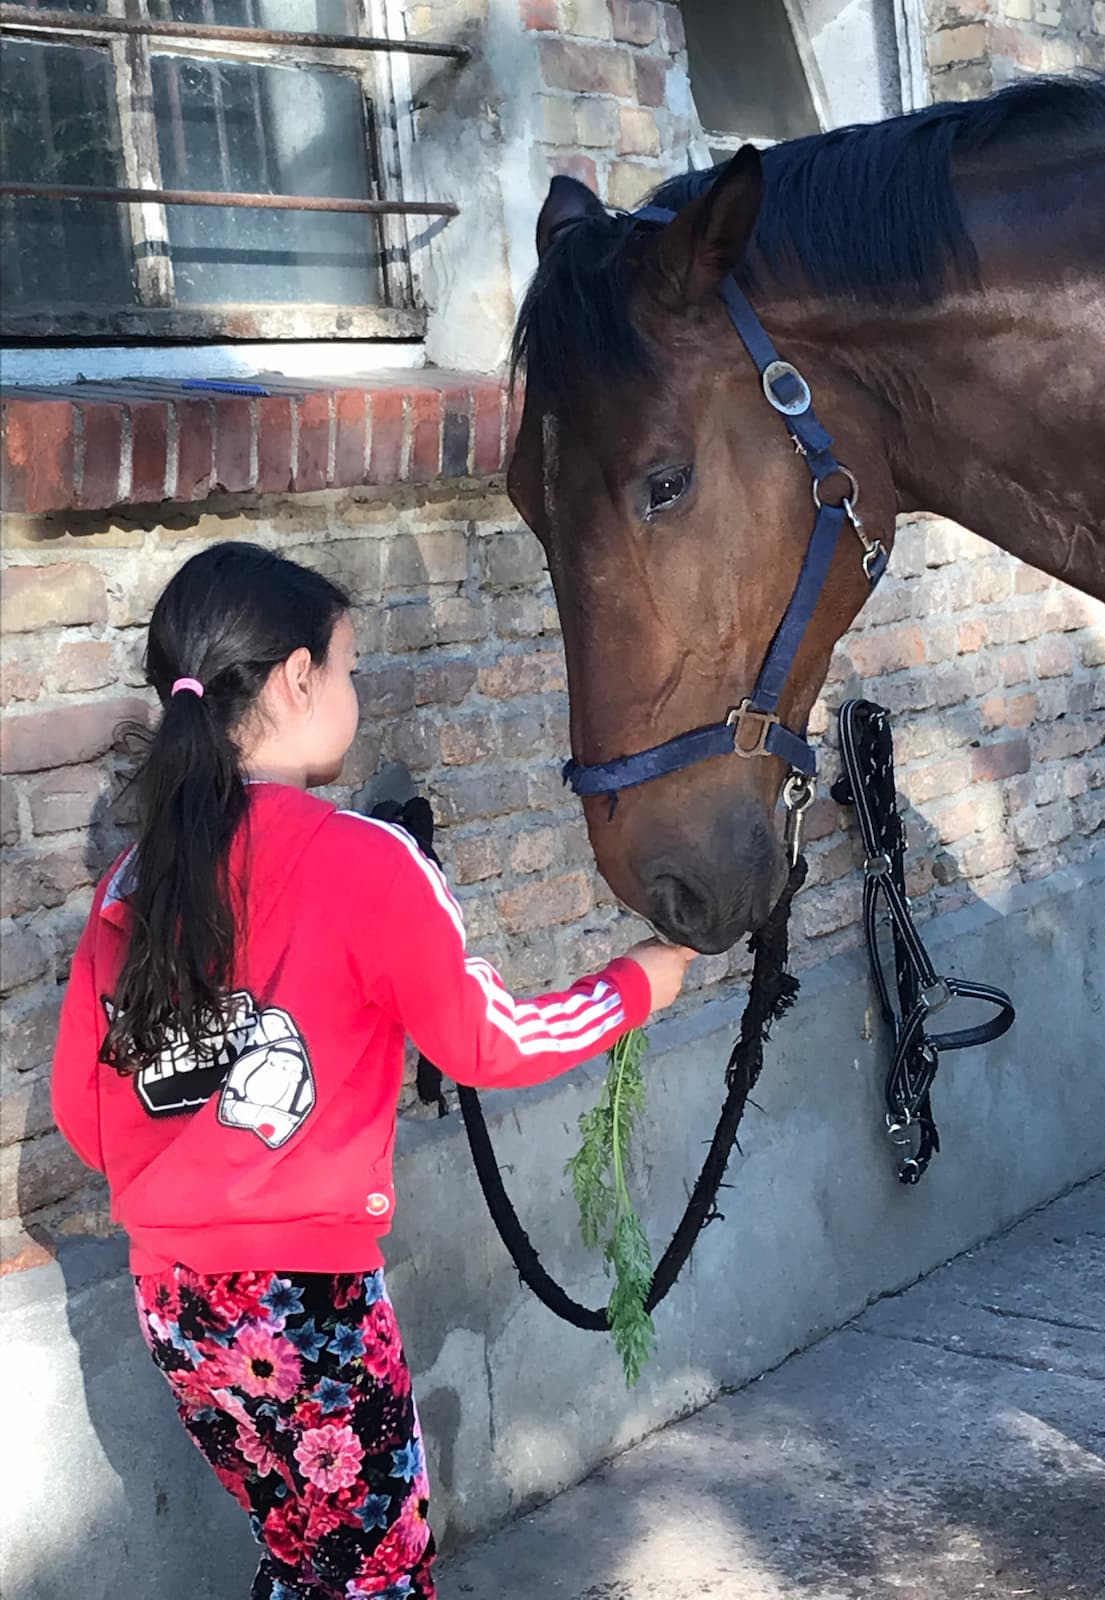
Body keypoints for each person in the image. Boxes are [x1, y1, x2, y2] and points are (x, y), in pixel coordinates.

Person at [50, 541, 697, 1600]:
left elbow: (85, 1113)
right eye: (348, 666)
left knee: (307, 1557)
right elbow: (487, 1041)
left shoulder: (136, 879)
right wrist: (635, 985)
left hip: (175, 1304)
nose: (355, 688)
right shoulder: (363, 860)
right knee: (378, 1573)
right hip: (311, 1301)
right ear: (298, 680)